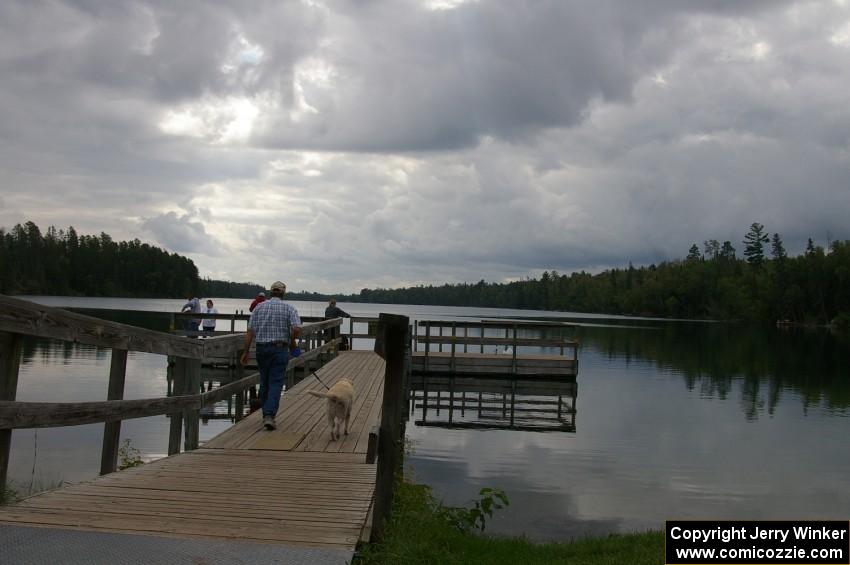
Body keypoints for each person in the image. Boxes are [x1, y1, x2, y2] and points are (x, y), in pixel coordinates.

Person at [241, 281, 301, 430]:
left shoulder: (258, 308)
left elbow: (250, 332)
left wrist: (245, 351)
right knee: (276, 382)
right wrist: (290, 339)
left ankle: (265, 413)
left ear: (270, 292)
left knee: (264, 381)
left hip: (261, 349)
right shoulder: (289, 308)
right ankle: (269, 415)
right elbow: (297, 329)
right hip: (280, 349)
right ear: (283, 293)